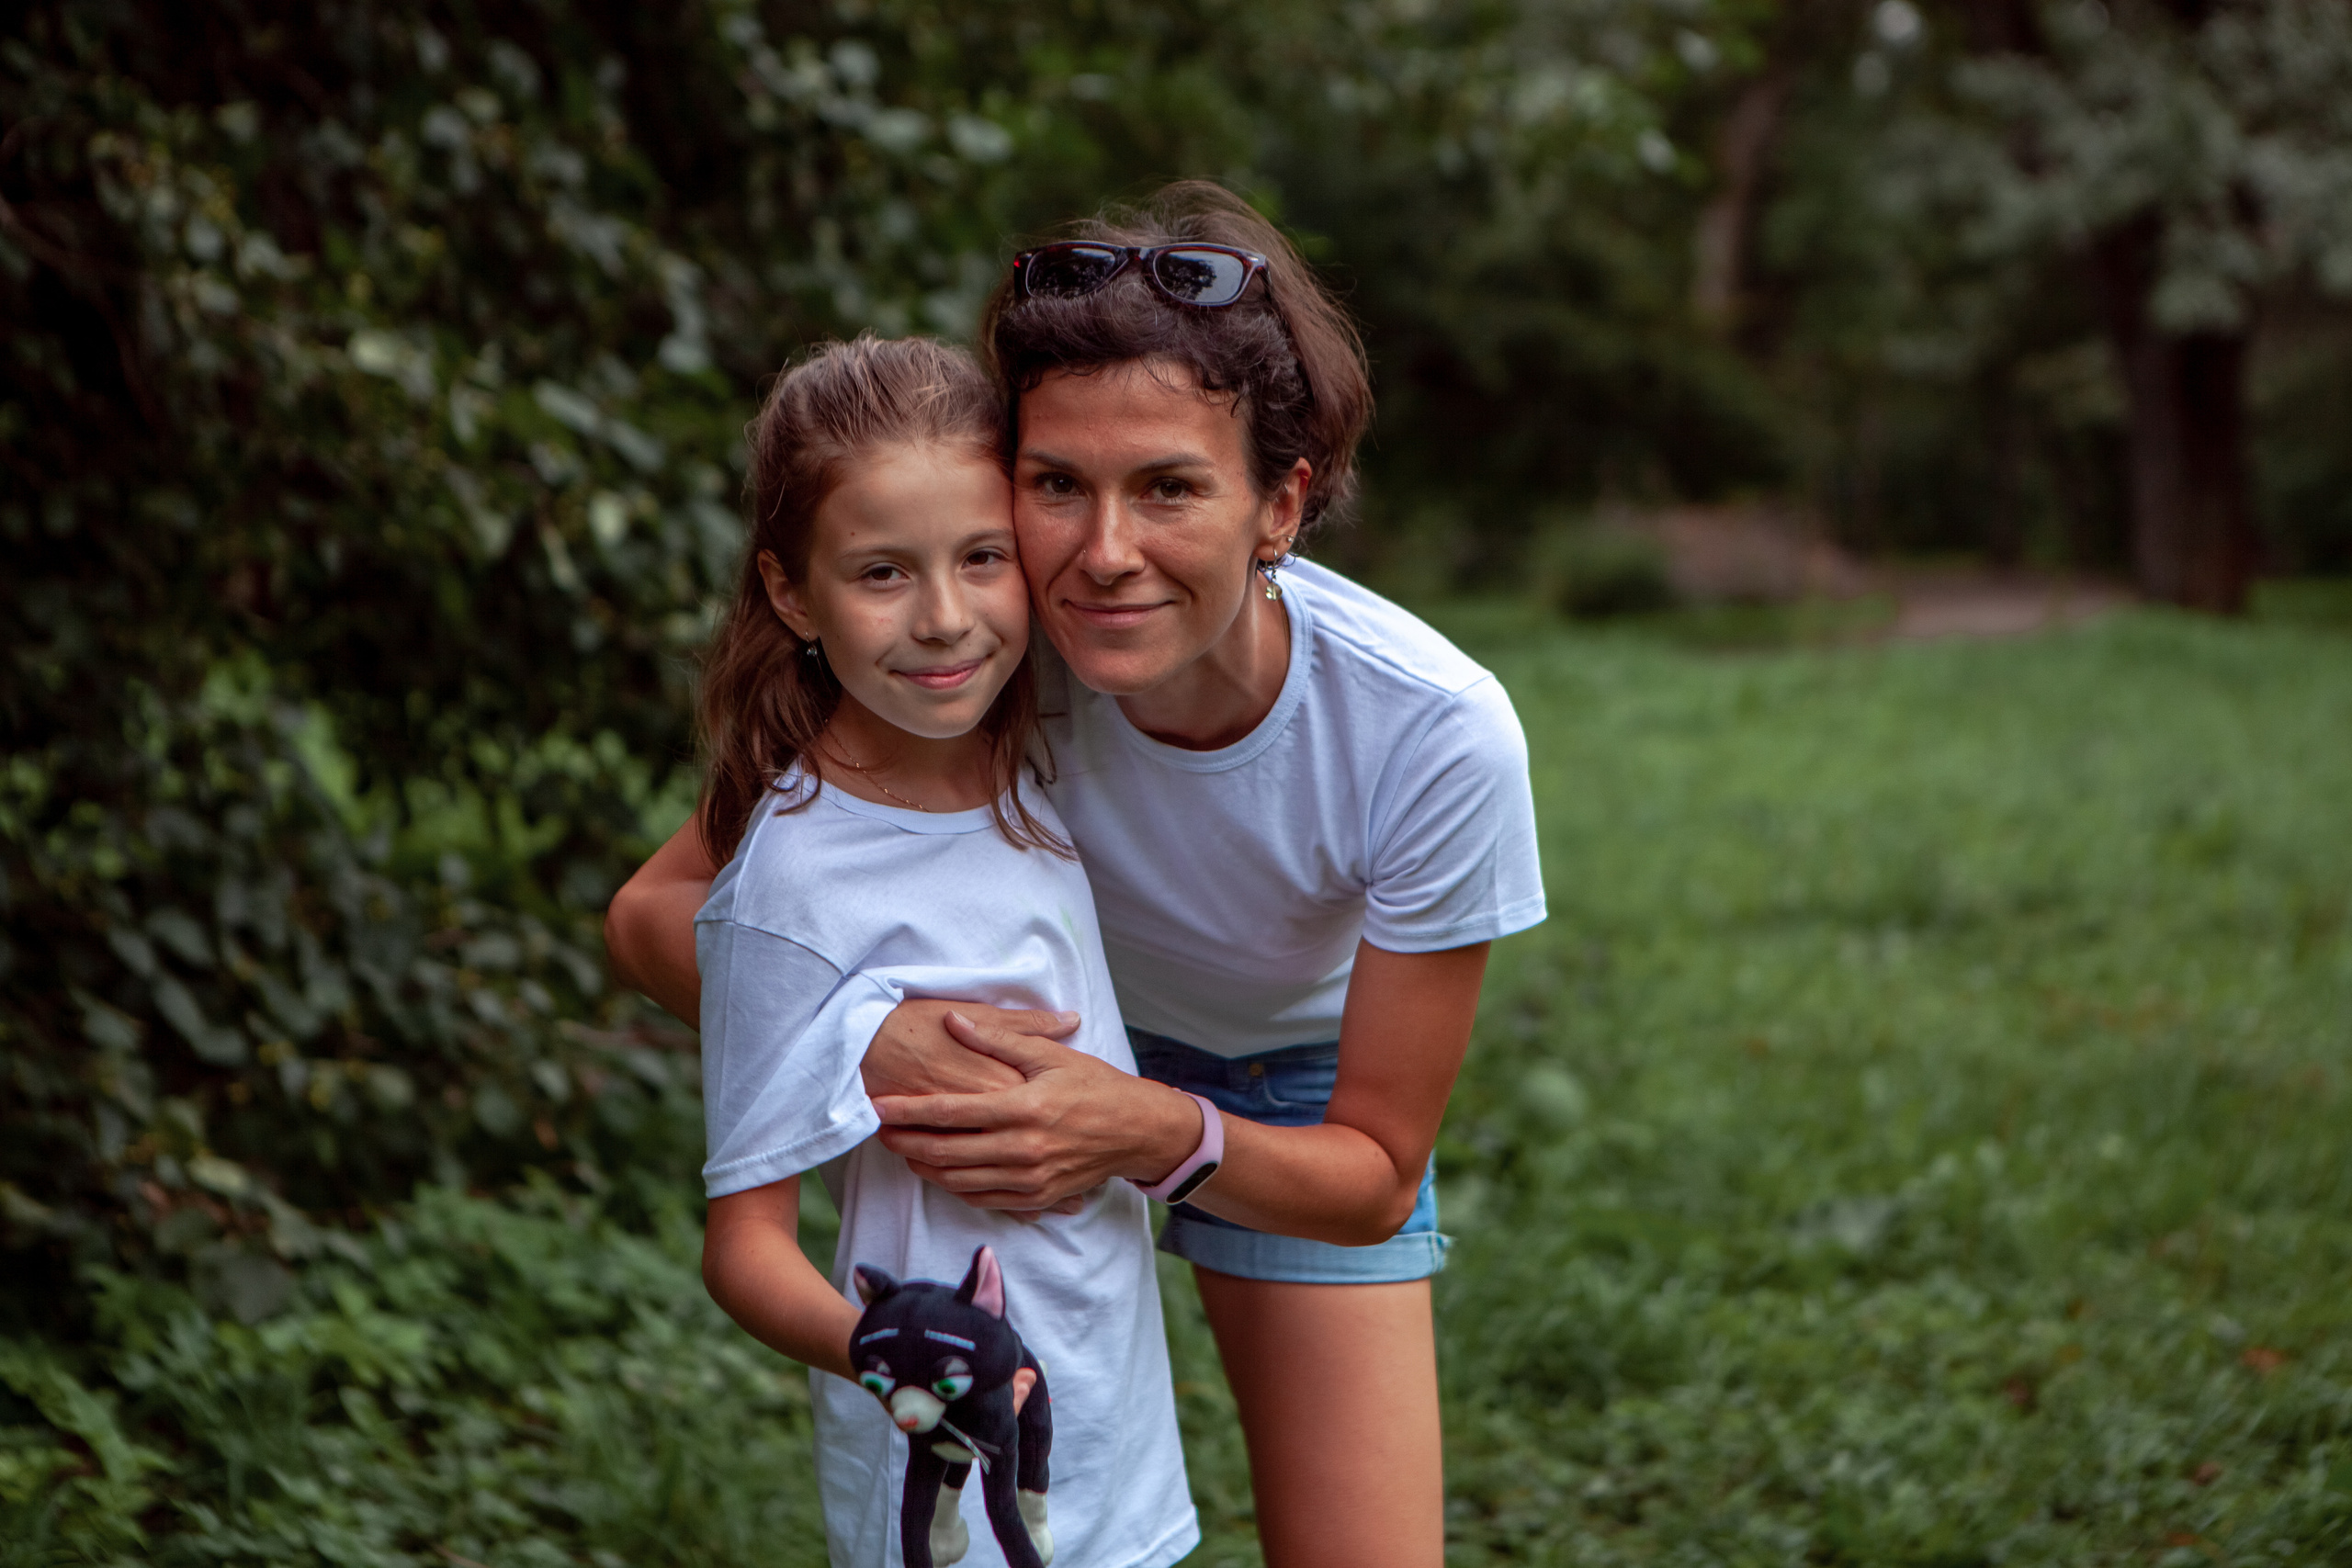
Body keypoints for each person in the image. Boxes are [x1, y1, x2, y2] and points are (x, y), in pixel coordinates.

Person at [610, 184, 1545, 1568]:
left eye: (1169, 486)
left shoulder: (1428, 731)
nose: (1101, 556)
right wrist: (873, 1046)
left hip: (1288, 1096)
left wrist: (1145, 1128)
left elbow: (1369, 1174)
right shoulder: (967, 642)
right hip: (1011, 1066)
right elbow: (658, 914)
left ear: (1280, 501)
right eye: (1055, 486)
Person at [690, 334, 1195, 1568]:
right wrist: (893, 1357)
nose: (944, 618)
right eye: (880, 572)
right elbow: (744, 1246)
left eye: (981, 557)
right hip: (940, 1469)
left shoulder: (1036, 751)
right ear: (792, 592)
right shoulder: (799, 875)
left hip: (1107, 1408)